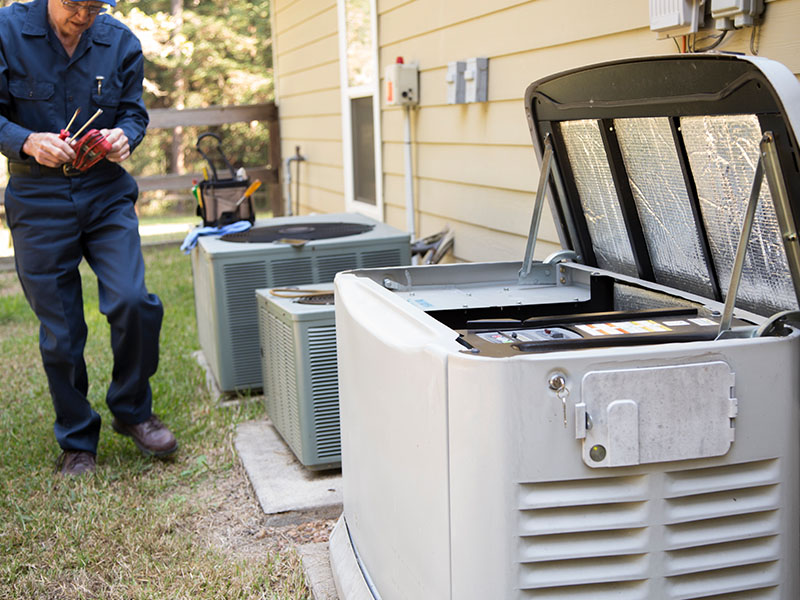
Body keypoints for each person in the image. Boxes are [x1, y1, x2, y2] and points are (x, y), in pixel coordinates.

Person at [0, 0, 177, 476]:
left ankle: (132, 409)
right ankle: (78, 440)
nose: (82, 15)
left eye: (94, 6)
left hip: (105, 192)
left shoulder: (120, 41)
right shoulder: (6, 29)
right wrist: (28, 141)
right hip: (38, 197)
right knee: (61, 332)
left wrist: (125, 136)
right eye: (73, 4)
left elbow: (134, 115)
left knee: (134, 300)